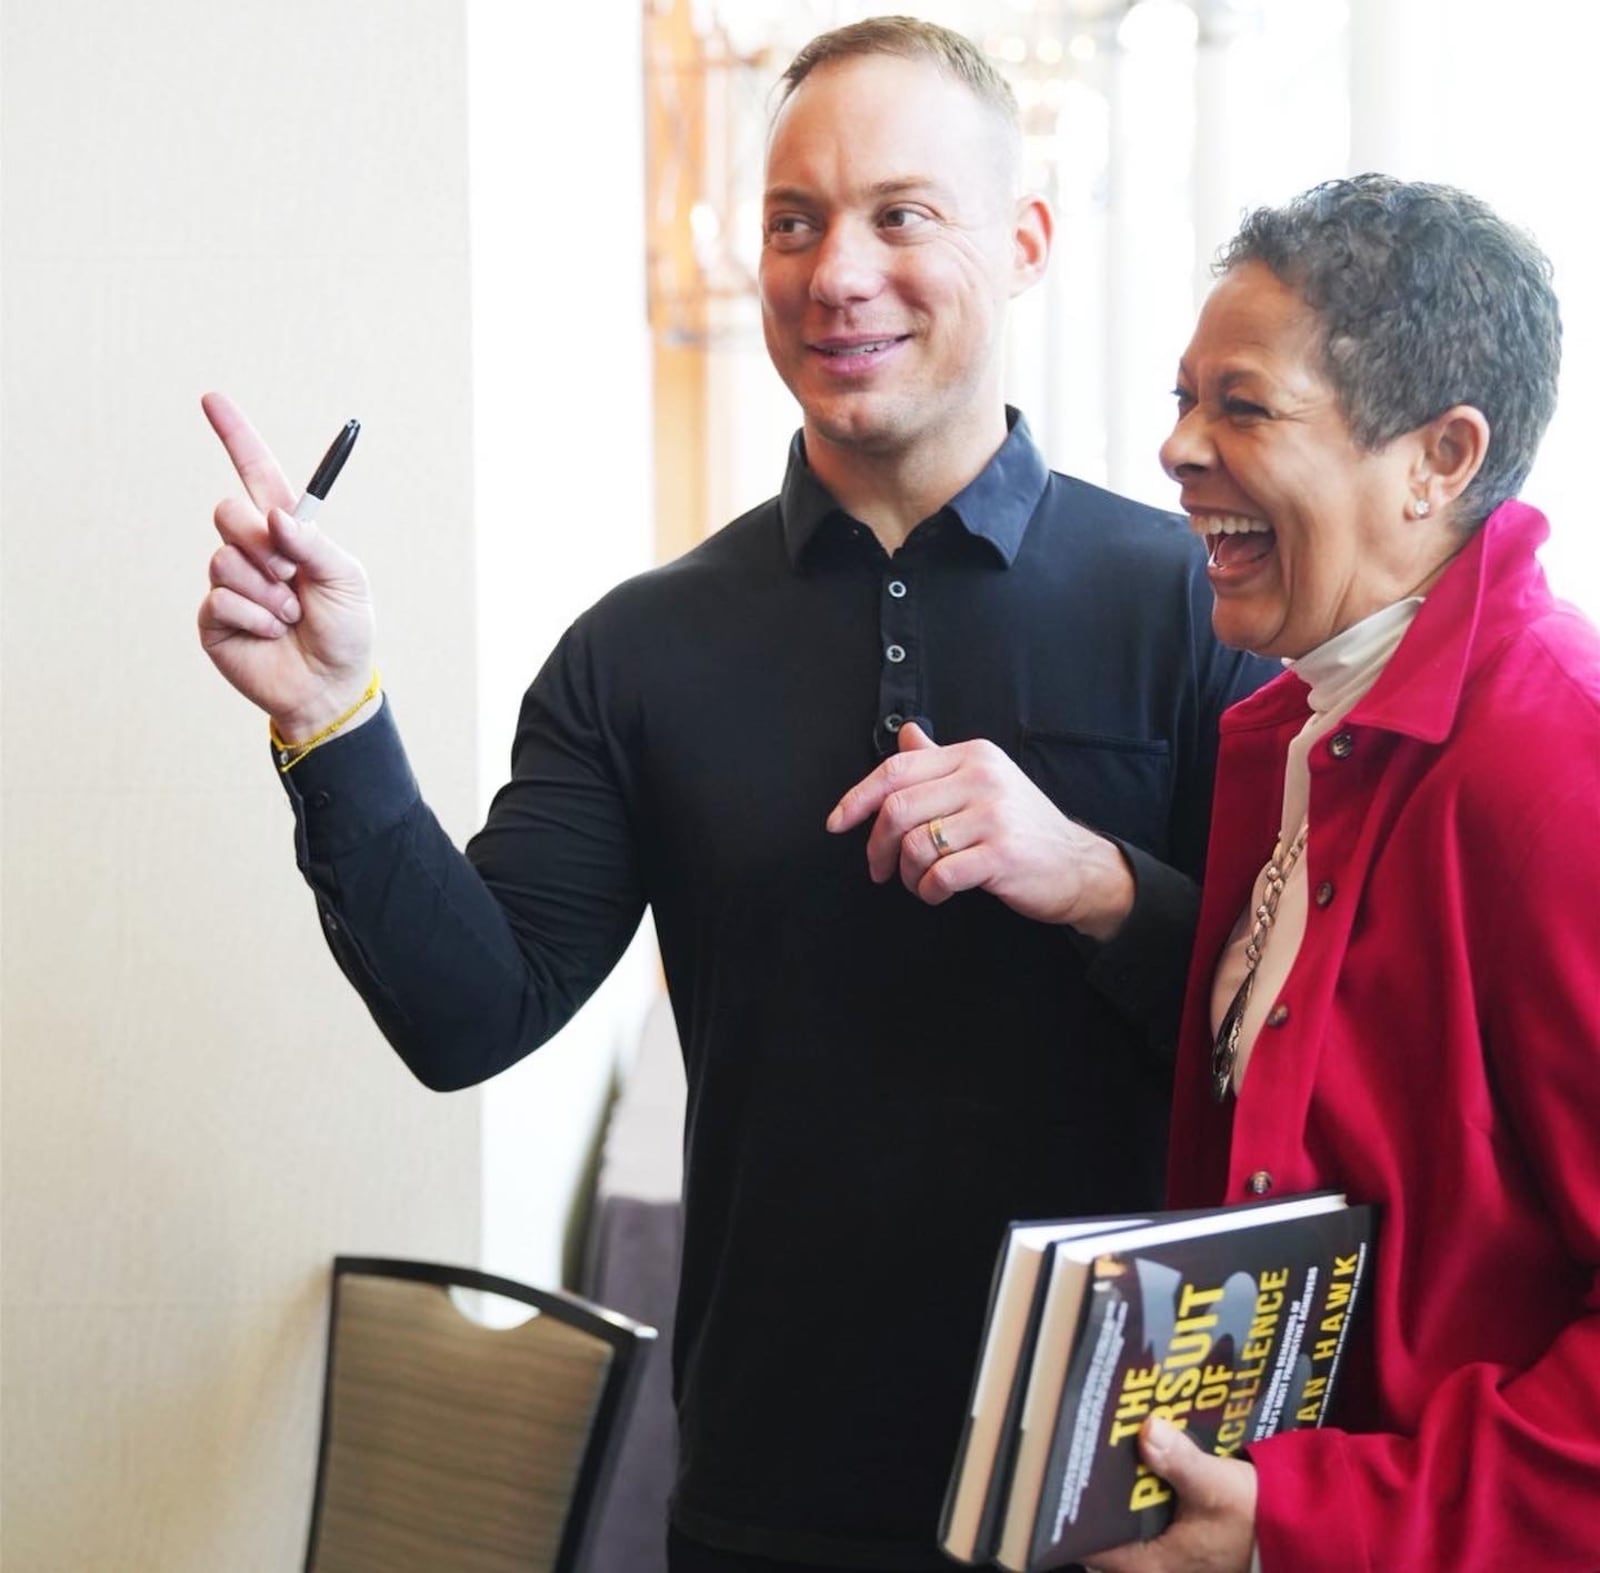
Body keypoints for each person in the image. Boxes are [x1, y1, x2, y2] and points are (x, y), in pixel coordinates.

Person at [199, 19, 1269, 1572]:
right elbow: (466, 1011)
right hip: (770, 1497)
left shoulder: (1192, 605)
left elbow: (1291, 1041)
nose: (838, 270)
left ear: (1025, 242)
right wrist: (331, 716)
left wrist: (1101, 879)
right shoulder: (642, 651)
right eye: (795, 219)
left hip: (1120, 1506)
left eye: (902, 214)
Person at [1090, 175, 1600, 1573]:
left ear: (1439, 456)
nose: (1176, 448)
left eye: (1241, 409)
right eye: (1185, 398)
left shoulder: (1556, 761)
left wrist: (1314, 1526)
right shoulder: (1291, 733)